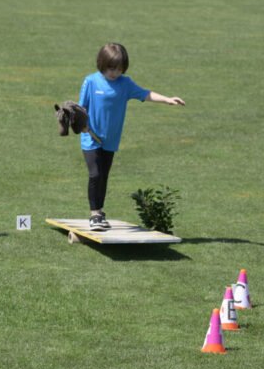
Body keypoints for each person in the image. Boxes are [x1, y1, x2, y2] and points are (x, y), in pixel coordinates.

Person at [79, 43, 185, 230]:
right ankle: (94, 215)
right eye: (111, 68)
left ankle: (100, 212)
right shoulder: (91, 82)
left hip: (110, 140)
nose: (114, 73)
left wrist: (167, 99)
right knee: (95, 174)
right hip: (91, 137)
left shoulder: (125, 84)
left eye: (119, 69)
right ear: (102, 64)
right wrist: (82, 125)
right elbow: (81, 108)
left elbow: (145, 94)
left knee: (103, 176)